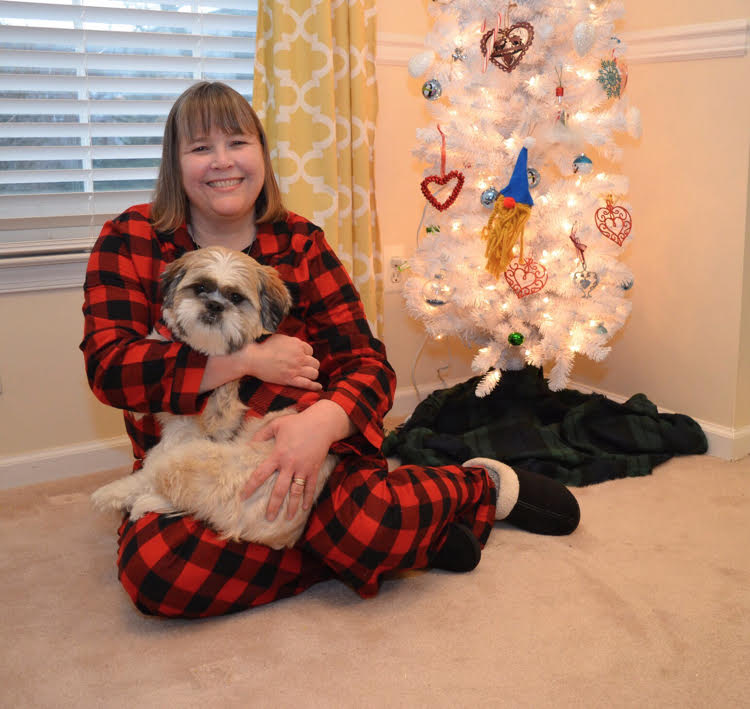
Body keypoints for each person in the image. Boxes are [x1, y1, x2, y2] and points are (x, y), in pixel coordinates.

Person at [81, 81, 580, 619]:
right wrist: (244, 359)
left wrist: (321, 424)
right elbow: (110, 369)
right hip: (194, 465)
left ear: (262, 156)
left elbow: (368, 366)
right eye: (200, 148)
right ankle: (392, 544)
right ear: (174, 165)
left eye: (238, 143)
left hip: (310, 448)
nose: (222, 162)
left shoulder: (300, 242)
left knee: (363, 521)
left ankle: (478, 486)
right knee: (161, 572)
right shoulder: (130, 239)